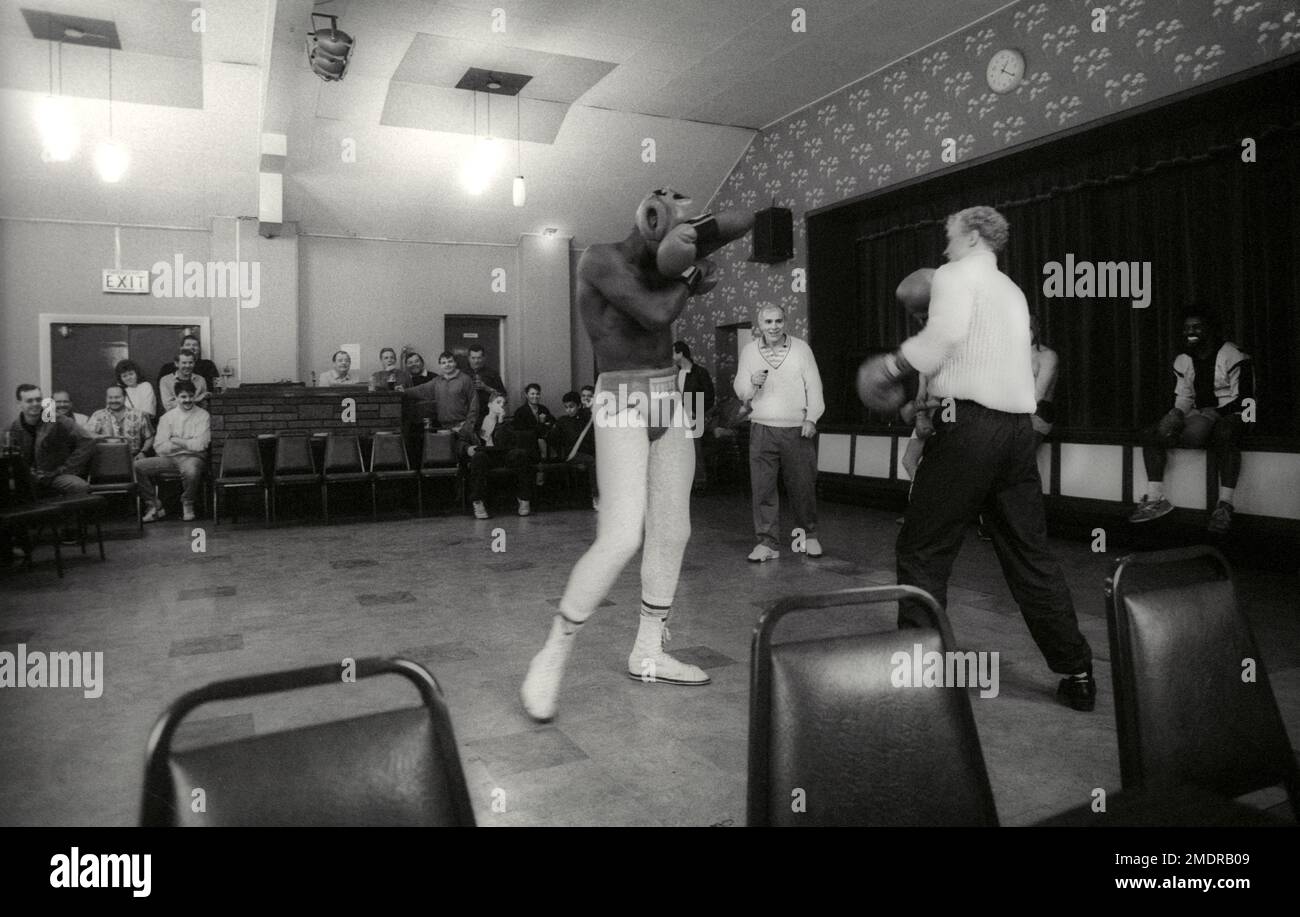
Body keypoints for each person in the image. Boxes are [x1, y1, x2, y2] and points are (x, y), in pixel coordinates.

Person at [520, 186, 753, 722]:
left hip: (669, 397)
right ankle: (552, 652)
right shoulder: (600, 258)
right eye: (663, 206)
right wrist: (692, 277)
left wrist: (706, 225)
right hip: (621, 396)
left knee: (673, 529)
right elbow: (651, 315)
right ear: (644, 214)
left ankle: (649, 649)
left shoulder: (674, 249)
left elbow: (738, 222)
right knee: (622, 534)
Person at [856, 205, 1096, 711]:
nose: (944, 245)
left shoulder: (954, 274)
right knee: (1030, 554)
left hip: (968, 429)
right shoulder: (1011, 290)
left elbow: (943, 337)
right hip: (1016, 434)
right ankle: (1077, 671)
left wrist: (894, 364)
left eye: (948, 235)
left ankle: (919, 668)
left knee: (923, 549)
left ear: (969, 235)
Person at [1130, 311, 1253, 533]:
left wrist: (1215, 413)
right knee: (1152, 433)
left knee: (1224, 433)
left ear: (1210, 329)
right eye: (1187, 328)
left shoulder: (1233, 354)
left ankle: (1225, 505)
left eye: (1196, 327)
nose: (1190, 332)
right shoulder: (1184, 359)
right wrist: (1176, 413)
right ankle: (1155, 499)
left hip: (1238, 411)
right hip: (1201, 412)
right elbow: (1185, 396)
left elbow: (1246, 400)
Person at [734, 304, 826, 561]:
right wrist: (751, 384)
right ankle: (767, 544)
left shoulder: (801, 349)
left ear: (785, 322)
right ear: (759, 325)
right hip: (761, 428)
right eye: (768, 322)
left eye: (778, 321)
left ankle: (810, 536)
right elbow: (740, 387)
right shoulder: (750, 351)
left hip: (797, 429)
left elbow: (814, 385)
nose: (773, 327)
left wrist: (812, 417)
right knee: (762, 489)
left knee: (802, 487)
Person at [134, 380, 210, 522]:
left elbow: (201, 445)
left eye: (190, 396)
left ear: (194, 396)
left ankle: (187, 503)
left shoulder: (203, 415)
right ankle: (154, 505)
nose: (187, 400)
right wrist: (187, 443)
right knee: (137, 467)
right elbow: (159, 446)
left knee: (191, 471)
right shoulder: (167, 417)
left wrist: (176, 440)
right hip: (169, 459)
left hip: (193, 458)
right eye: (183, 397)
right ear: (176, 398)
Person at [7, 384, 94, 496]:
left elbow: (87, 440)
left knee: (79, 486)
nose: (35, 404)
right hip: (28, 477)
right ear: (19, 404)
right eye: (29, 401)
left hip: (56, 475)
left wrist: (65, 469)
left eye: (38, 399)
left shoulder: (55, 419)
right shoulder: (14, 428)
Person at [465, 392, 533, 519]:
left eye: (503, 403)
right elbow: (462, 440)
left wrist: (501, 422)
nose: (501, 406)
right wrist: (467, 448)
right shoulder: (477, 422)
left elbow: (505, 443)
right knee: (479, 457)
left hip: (503, 456)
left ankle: (524, 499)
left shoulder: (507, 425)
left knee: (521, 454)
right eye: (498, 402)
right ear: (489, 405)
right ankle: (478, 501)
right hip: (485, 455)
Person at [673, 341, 715, 490]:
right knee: (679, 449)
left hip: (694, 414)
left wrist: (697, 410)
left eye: (673, 352)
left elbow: (710, 395)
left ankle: (700, 482)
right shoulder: (675, 373)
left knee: (695, 449)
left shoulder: (700, 372)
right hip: (677, 416)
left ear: (680, 353)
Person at [552, 391, 598, 510]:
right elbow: (554, 439)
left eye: (572, 407)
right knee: (592, 461)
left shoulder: (585, 418)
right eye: (566, 407)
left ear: (578, 406)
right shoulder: (562, 421)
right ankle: (596, 496)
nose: (569, 410)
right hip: (570, 454)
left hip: (584, 453)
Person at [87, 386, 154, 459]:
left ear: (125, 397)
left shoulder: (139, 415)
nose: (113, 400)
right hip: (105, 458)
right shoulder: (97, 415)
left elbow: (150, 437)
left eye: (117, 397)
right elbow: (88, 437)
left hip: (133, 458)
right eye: (110, 397)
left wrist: (143, 453)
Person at [467, 344, 506, 419]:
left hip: (488, 415)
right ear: (468, 358)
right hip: (467, 415)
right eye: (473, 358)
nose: (476, 361)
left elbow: (503, 395)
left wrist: (486, 388)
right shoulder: (463, 374)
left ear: (483, 358)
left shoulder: (492, 374)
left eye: (479, 358)